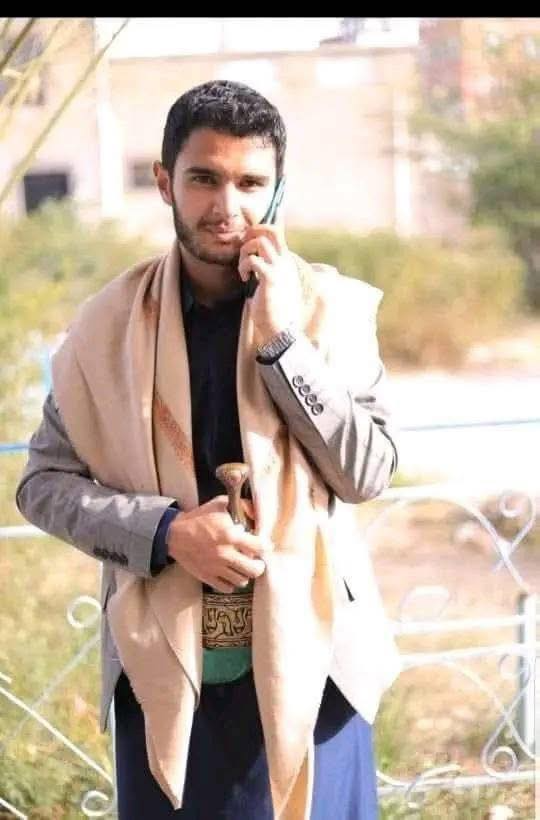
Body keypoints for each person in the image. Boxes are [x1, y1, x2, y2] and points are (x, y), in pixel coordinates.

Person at [16, 80, 402, 819]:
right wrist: (164, 533)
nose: (228, 206)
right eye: (204, 178)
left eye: (251, 183)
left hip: (317, 669)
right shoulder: (106, 329)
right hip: (167, 672)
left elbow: (366, 472)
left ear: (278, 188)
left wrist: (283, 343)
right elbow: (43, 484)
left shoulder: (332, 311)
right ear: (165, 182)